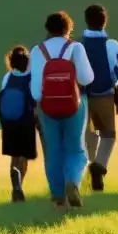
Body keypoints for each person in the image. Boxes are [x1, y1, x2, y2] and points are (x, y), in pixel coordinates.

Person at [28, 11, 95, 211]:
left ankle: (58, 198)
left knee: (54, 151)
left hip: (47, 107)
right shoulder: (75, 48)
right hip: (75, 105)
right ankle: (73, 182)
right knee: (77, 150)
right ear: (68, 29)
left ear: (48, 29)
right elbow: (86, 79)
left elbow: (34, 90)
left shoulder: (37, 50)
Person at [80, 4, 118, 192]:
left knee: (89, 136)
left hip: (83, 97)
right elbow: (116, 72)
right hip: (105, 94)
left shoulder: (78, 46)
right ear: (105, 21)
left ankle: (89, 175)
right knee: (109, 135)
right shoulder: (112, 45)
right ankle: (99, 166)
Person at [0, 46, 39, 202]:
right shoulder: (31, 78)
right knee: (24, 156)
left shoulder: (7, 78)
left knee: (14, 156)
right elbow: (35, 97)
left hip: (9, 121)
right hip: (26, 120)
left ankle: (15, 182)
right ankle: (19, 184)